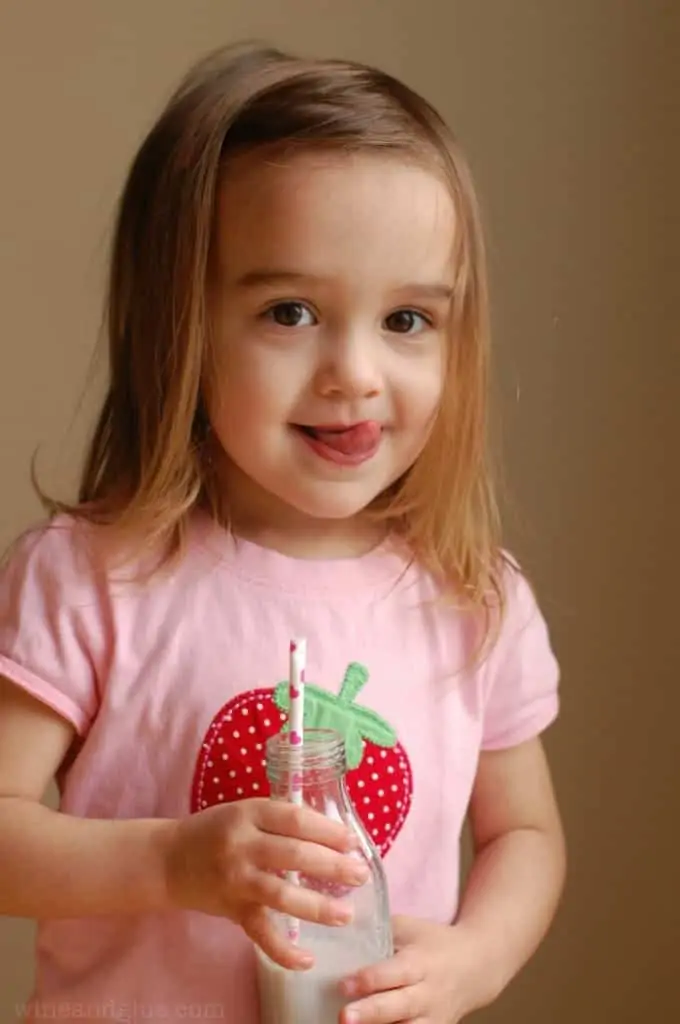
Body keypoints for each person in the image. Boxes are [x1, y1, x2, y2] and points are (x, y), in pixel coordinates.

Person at [0, 42, 566, 1024]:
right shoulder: (93, 579)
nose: (353, 370)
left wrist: (477, 956)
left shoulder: (471, 597)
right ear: (181, 325)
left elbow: (525, 833)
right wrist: (173, 859)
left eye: (404, 319)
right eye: (290, 311)